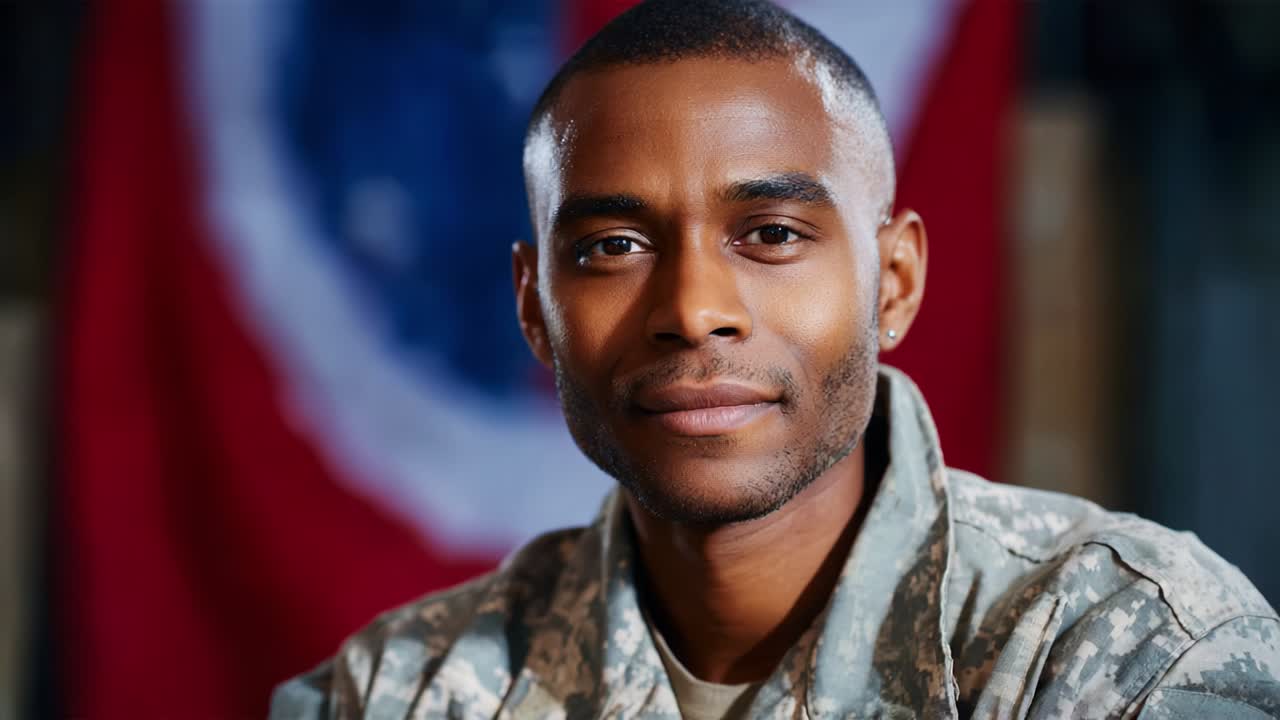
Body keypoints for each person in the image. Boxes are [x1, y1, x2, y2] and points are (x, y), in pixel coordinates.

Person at [270, 1, 1280, 717]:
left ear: (891, 284)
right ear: (534, 309)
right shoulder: (400, 693)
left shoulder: (1121, 656)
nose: (694, 310)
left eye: (770, 234)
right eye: (613, 248)